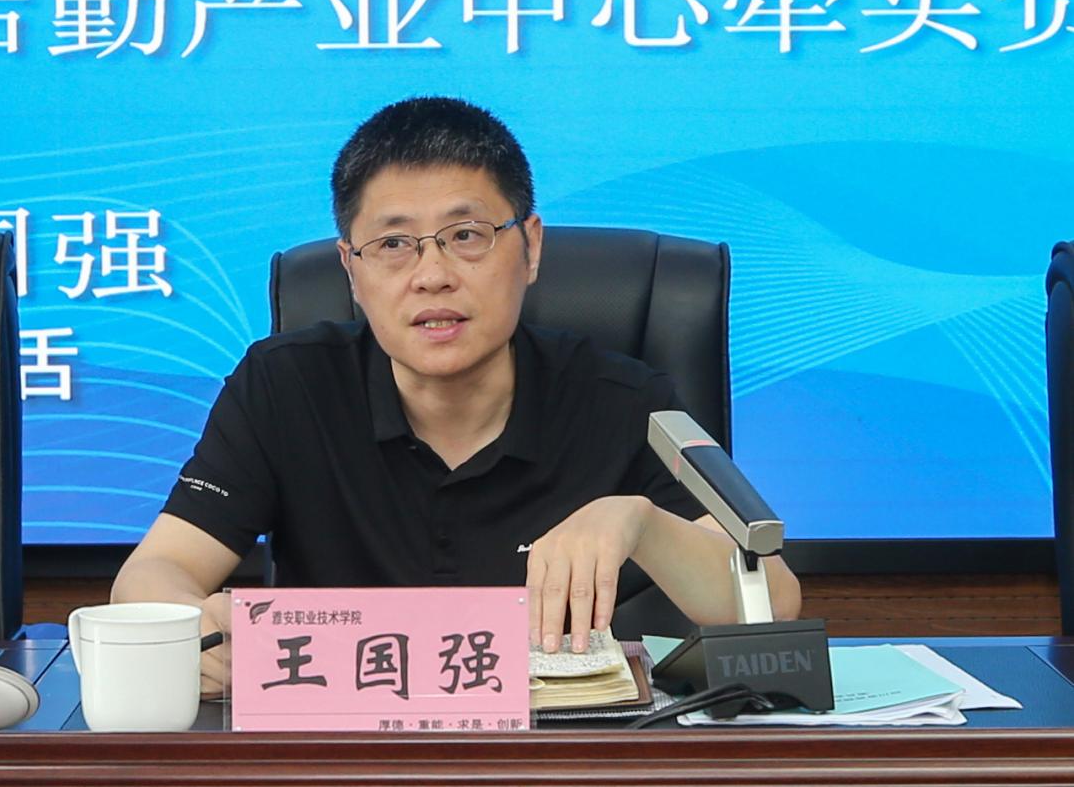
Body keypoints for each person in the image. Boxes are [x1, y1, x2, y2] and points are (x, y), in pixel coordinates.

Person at [111, 97, 801, 697]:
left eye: (466, 236)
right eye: (393, 244)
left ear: (530, 248)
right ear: (351, 270)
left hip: (560, 763)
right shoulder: (284, 386)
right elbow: (153, 573)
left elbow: (772, 602)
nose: (432, 275)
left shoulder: (621, 398)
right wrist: (189, 623)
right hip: (340, 755)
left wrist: (641, 522)